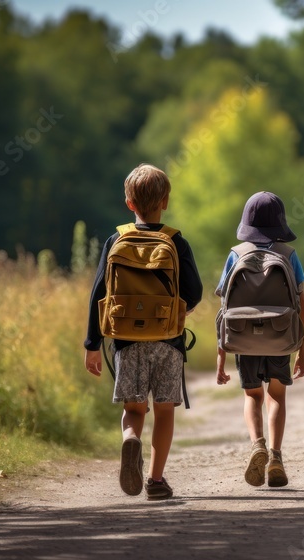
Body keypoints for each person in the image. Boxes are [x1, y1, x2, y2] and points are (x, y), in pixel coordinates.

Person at [84, 163, 202, 500]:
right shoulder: (176, 242)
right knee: (164, 410)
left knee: (134, 410)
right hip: (168, 341)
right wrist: (176, 312)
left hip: (126, 341)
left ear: (129, 203)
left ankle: (130, 441)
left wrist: (93, 344)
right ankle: (156, 481)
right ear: (165, 201)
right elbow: (193, 291)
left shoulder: (116, 240)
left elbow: (99, 295)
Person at [215, 192, 304, 488]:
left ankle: (257, 444)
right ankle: (276, 457)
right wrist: (301, 350)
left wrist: (221, 357)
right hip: (280, 336)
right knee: (277, 397)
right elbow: (301, 304)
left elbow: (225, 308)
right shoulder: (288, 255)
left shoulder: (235, 254)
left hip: (243, 339)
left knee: (252, 396)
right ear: (280, 222)